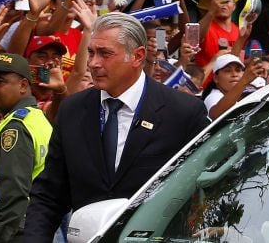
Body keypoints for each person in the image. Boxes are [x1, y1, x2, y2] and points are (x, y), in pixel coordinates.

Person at [23, 12, 210, 242]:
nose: (93, 63)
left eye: (105, 53)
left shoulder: (183, 113)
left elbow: (209, 187)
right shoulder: (73, 111)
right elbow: (49, 195)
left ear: (138, 56)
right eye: (91, 52)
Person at [0, 53, 53, 242]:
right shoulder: (37, 119)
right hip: (31, 226)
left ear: (23, 85)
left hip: (10, 232)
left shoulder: (15, 128)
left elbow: (13, 196)